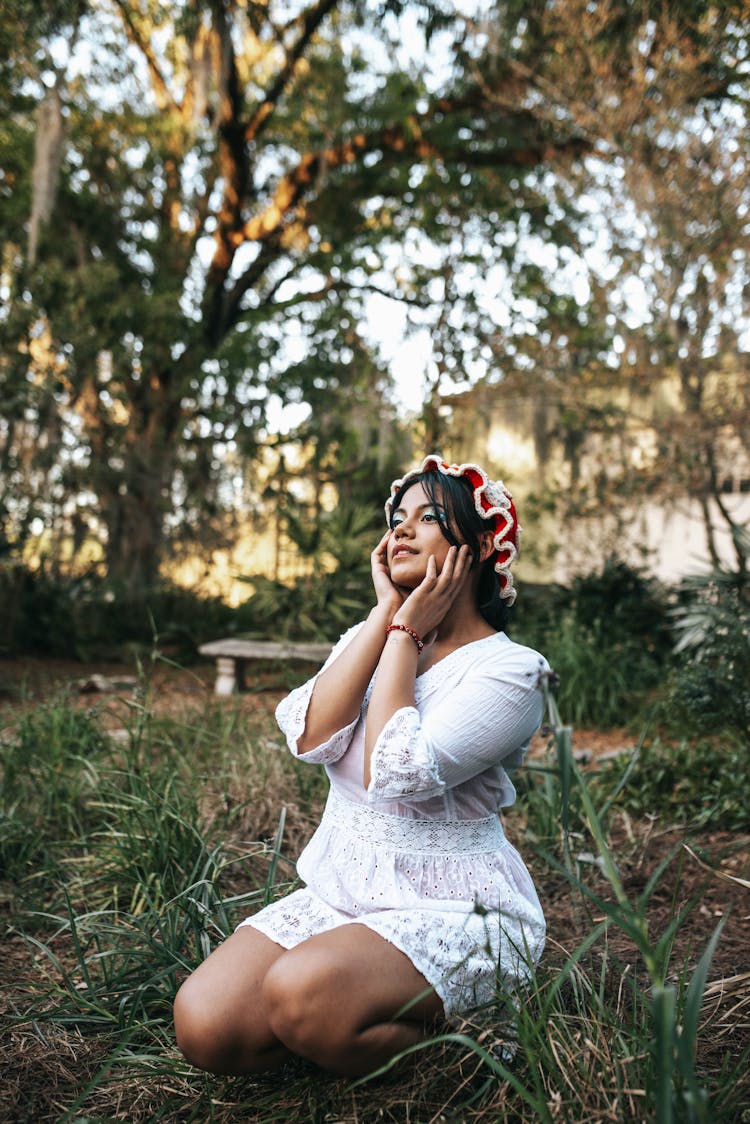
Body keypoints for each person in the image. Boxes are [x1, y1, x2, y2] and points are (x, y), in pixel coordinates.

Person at [174, 454, 549, 1079]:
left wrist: (404, 636)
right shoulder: (371, 633)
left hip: (458, 910)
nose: (400, 529)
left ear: (483, 543)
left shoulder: (510, 672)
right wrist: (385, 620)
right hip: (348, 894)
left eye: (429, 518)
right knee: (206, 1024)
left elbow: (393, 773)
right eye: (397, 518)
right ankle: (340, 1026)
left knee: (302, 994)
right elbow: (313, 737)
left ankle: (473, 1050)